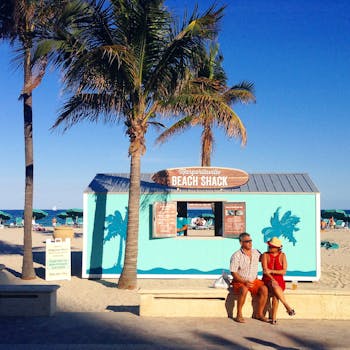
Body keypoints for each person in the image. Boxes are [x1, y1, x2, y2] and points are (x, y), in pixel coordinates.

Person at [230, 232, 268, 323]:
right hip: (240, 281)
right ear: (241, 243)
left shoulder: (256, 252)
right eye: (247, 241)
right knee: (244, 289)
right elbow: (233, 273)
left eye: (250, 241)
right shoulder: (236, 255)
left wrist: (271, 249)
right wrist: (244, 281)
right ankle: (239, 314)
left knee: (264, 289)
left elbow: (264, 258)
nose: (250, 243)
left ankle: (259, 314)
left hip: (254, 280)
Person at [261, 237, 295, 324]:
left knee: (276, 293)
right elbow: (265, 270)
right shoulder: (265, 255)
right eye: (269, 246)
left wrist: (272, 271)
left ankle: (274, 318)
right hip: (267, 279)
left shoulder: (282, 256)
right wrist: (272, 278)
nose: (269, 248)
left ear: (277, 248)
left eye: (272, 246)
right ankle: (287, 306)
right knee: (275, 285)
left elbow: (284, 271)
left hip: (279, 280)